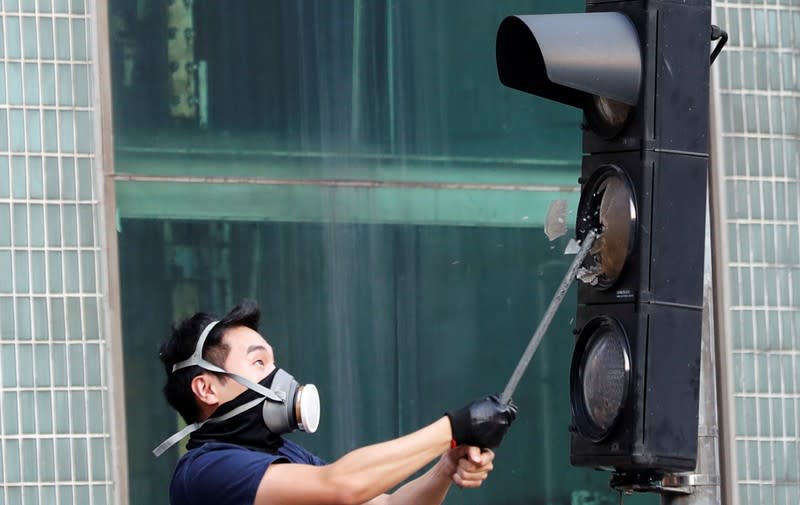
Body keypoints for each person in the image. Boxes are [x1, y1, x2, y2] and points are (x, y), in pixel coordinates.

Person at [157, 300, 517, 505]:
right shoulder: (205, 471)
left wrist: (445, 464)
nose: (277, 375)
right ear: (206, 389)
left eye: (273, 361)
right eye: (258, 363)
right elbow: (341, 486)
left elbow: (388, 504)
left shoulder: (284, 455)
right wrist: (453, 427)